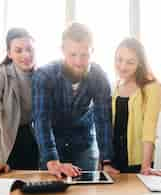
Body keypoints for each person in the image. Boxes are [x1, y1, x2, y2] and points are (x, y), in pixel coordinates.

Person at [32, 22, 113, 178]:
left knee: (85, 192)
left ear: (92, 51)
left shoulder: (99, 76)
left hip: (84, 145)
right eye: (73, 55)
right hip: (52, 147)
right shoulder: (44, 75)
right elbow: (41, 120)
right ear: (62, 50)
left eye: (84, 55)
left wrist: (107, 160)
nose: (78, 61)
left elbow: (103, 120)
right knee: (51, 192)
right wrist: (52, 160)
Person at [0, 28, 39, 176]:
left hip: (30, 141)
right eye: (18, 50)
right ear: (9, 53)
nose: (26, 55)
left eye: (29, 49)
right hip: (2, 141)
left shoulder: (41, 76)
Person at [103, 38, 161, 176]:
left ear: (140, 64)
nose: (123, 66)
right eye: (119, 60)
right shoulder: (115, 86)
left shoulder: (153, 88)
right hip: (113, 162)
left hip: (138, 163)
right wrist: (104, 162)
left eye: (130, 62)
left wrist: (146, 166)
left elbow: (150, 129)